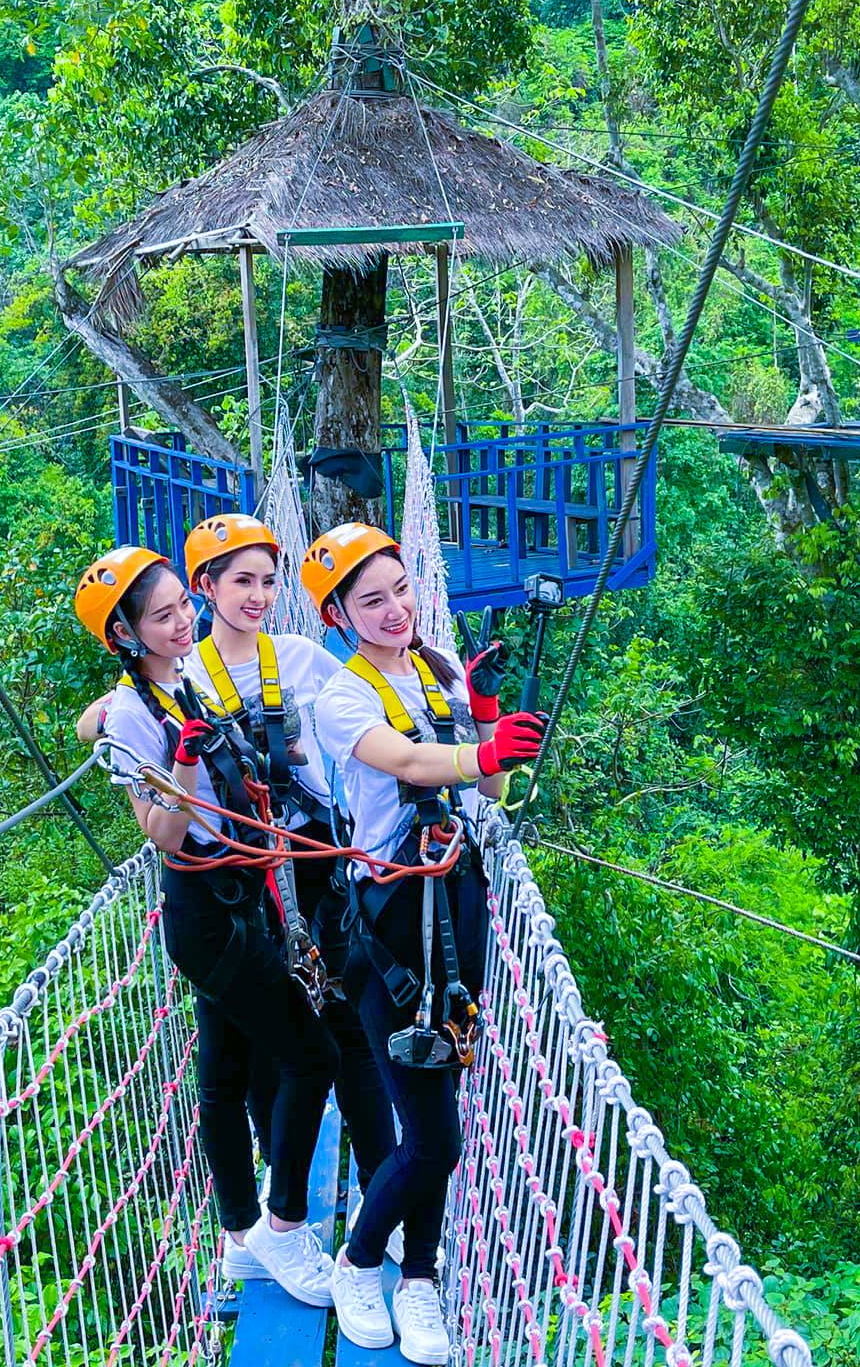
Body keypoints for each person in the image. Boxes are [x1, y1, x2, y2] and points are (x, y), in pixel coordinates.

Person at [301, 522, 548, 1363]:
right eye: (373, 600)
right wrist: (478, 746)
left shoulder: (436, 670)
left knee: (437, 1114)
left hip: (459, 902)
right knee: (434, 1136)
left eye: (402, 589)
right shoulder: (342, 694)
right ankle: (359, 1261)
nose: (397, 609)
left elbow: (496, 787)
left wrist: (484, 718)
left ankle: (420, 1279)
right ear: (337, 615)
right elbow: (404, 762)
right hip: (390, 925)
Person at [71, 545, 337, 1308]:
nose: (184, 620)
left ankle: (240, 1239)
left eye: (182, 607)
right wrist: (183, 765)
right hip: (205, 913)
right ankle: (283, 1230)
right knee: (308, 1054)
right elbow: (162, 830)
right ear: (127, 635)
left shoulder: (187, 678)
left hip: (244, 891)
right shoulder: (131, 715)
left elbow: (93, 717)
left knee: (226, 1074)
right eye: (163, 616)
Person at [176, 513, 402, 1237]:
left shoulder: (302, 656)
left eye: (268, 581)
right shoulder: (179, 677)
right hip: (236, 884)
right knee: (269, 1046)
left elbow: (371, 690)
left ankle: (380, 1190)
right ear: (203, 588)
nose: (259, 595)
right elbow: (111, 721)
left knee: (346, 1027)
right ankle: (286, 1202)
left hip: (312, 864)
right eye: (242, 580)